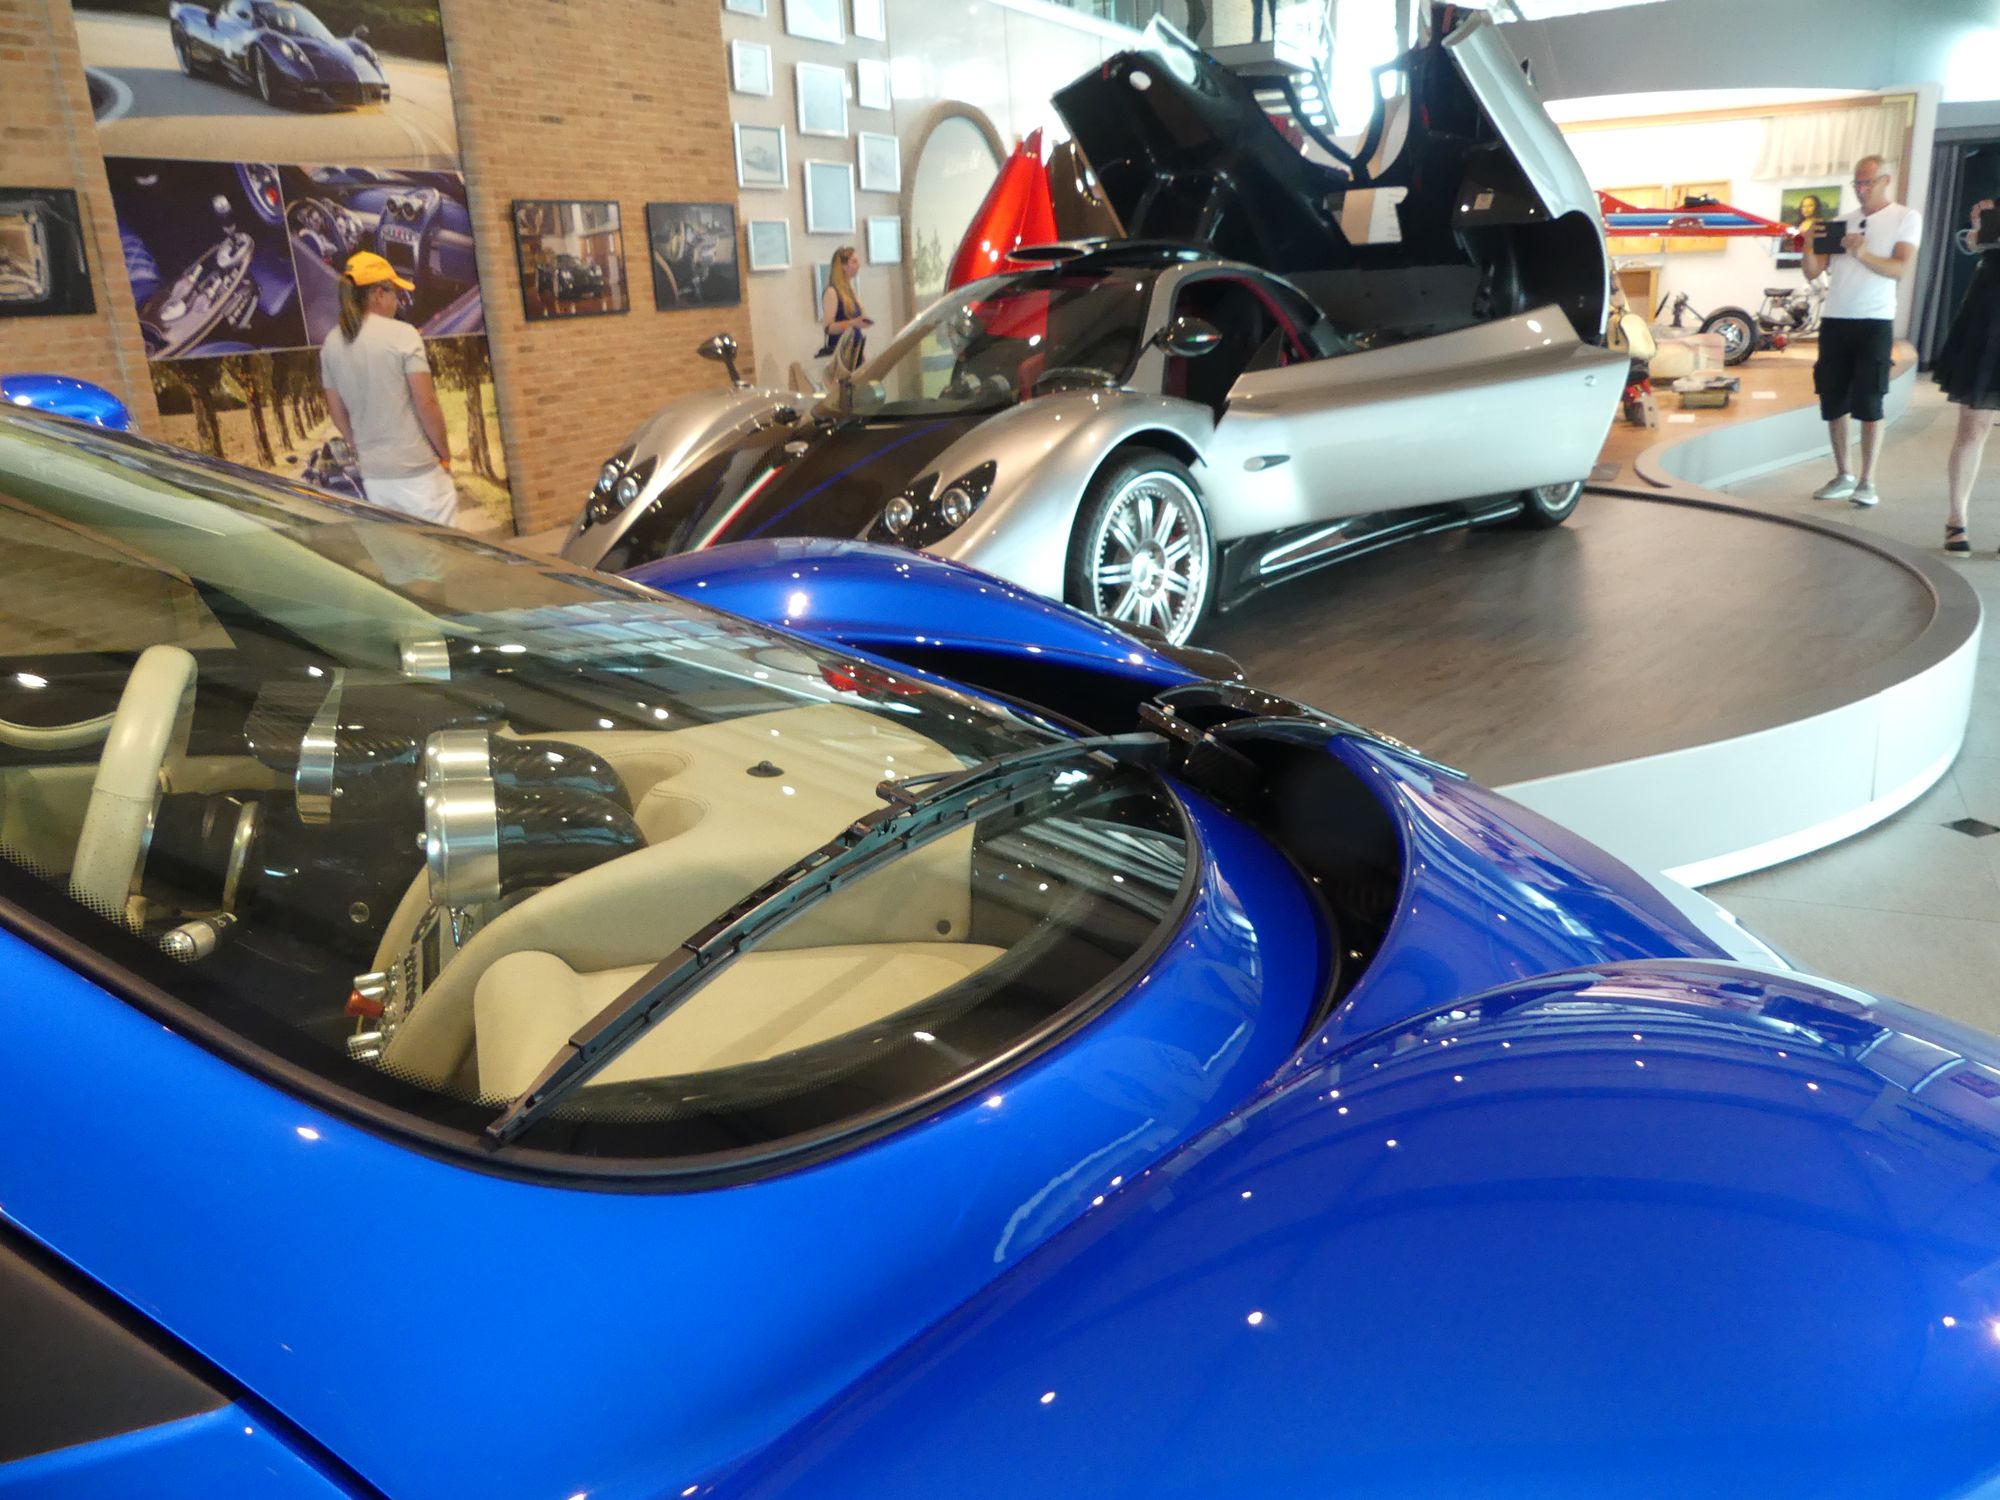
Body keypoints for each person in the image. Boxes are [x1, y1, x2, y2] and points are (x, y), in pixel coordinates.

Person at [1800, 156, 1923, 508]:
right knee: (1833, 398)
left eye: (1868, 182)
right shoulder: (1842, 222)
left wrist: (1862, 252)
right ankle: (1844, 474)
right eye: (1857, 183)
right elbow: (1812, 272)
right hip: (1835, 318)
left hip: (1874, 320)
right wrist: (1807, 244)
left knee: (1870, 400)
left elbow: (1900, 269)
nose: (1861, 189)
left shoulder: (1905, 217)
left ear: (1886, 181)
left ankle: (1868, 481)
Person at [319, 250, 457, 528]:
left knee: (401, 551)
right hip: (418, 473)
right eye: (395, 293)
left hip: (375, 477)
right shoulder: (403, 334)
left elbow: (337, 412)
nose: (398, 301)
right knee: (442, 550)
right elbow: (426, 401)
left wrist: (360, 446)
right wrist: (444, 454)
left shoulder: (331, 344)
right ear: (378, 294)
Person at [1934, 197, 2000, 555]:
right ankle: (1956, 518)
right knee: (1973, 426)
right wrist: (1978, 229)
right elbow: (1974, 245)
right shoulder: (1995, 205)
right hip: (1989, 313)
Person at [818, 245, 871, 380]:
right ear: (843, 266)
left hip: (855, 352)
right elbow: (828, 327)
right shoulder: (832, 292)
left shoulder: (850, 291)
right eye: (854, 261)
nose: (858, 265)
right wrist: (853, 323)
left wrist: (863, 355)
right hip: (842, 355)